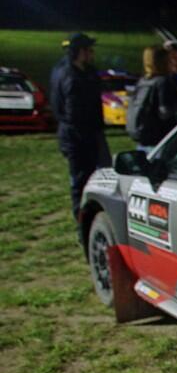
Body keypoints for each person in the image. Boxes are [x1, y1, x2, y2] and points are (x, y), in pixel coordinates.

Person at [49, 32, 110, 230]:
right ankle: (83, 223)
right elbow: (73, 114)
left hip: (84, 134)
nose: (92, 54)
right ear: (80, 52)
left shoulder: (79, 71)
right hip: (78, 138)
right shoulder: (71, 77)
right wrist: (87, 137)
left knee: (97, 177)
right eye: (89, 50)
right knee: (81, 181)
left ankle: (91, 216)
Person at [126, 46, 177, 152]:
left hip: (143, 137)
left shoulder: (142, 82)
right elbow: (165, 112)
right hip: (159, 139)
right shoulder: (163, 82)